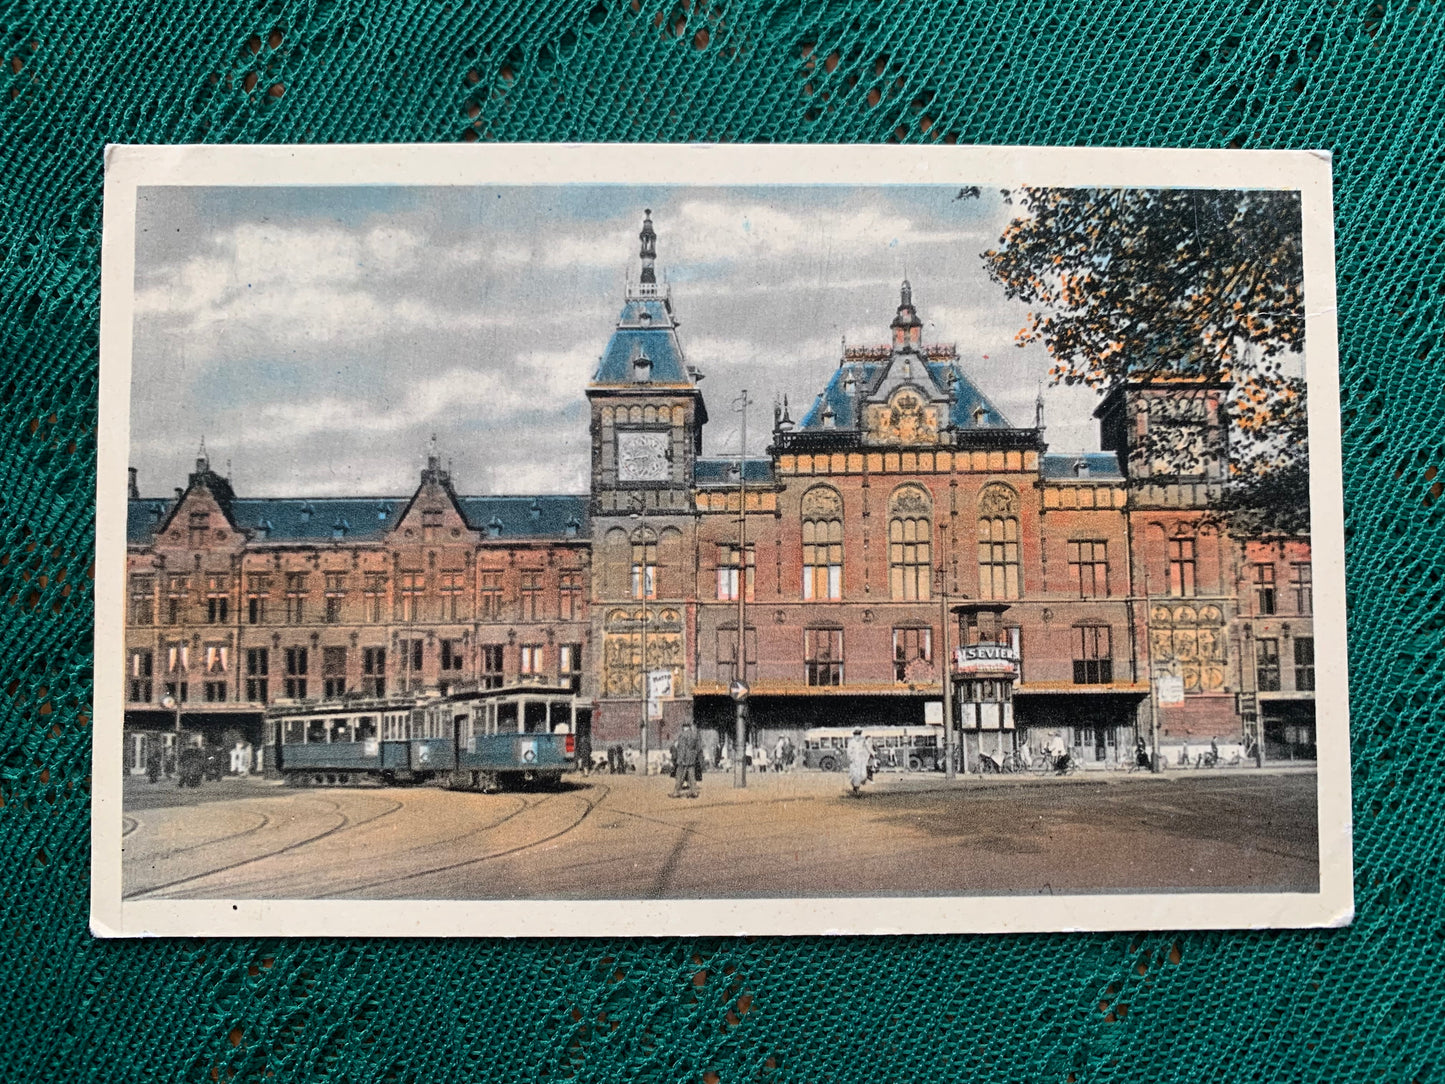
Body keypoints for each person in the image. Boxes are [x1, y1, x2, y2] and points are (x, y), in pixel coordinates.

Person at [671, 721, 702, 799]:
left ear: (684, 727)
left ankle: (676, 792)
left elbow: (682, 749)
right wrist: (693, 755)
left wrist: (680, 759)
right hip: (692, 758)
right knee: (691, 776)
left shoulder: (683, 735)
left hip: (684, 759)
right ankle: (694, 792)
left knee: (679, 775)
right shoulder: (694, 735)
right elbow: (698, 748)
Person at [846, 728, 872, 797]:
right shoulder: (851, 743)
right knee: (855, 776)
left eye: (859, 735)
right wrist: (851, 759)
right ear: (854, 736)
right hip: (854, 762)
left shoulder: (862, 742)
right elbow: (848, 752)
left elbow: (868, 747)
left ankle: (856, 786)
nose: (858, 736)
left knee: (863, 775)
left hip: (862, 761)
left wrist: (871, 753)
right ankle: (857, 790)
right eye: (857, 735)